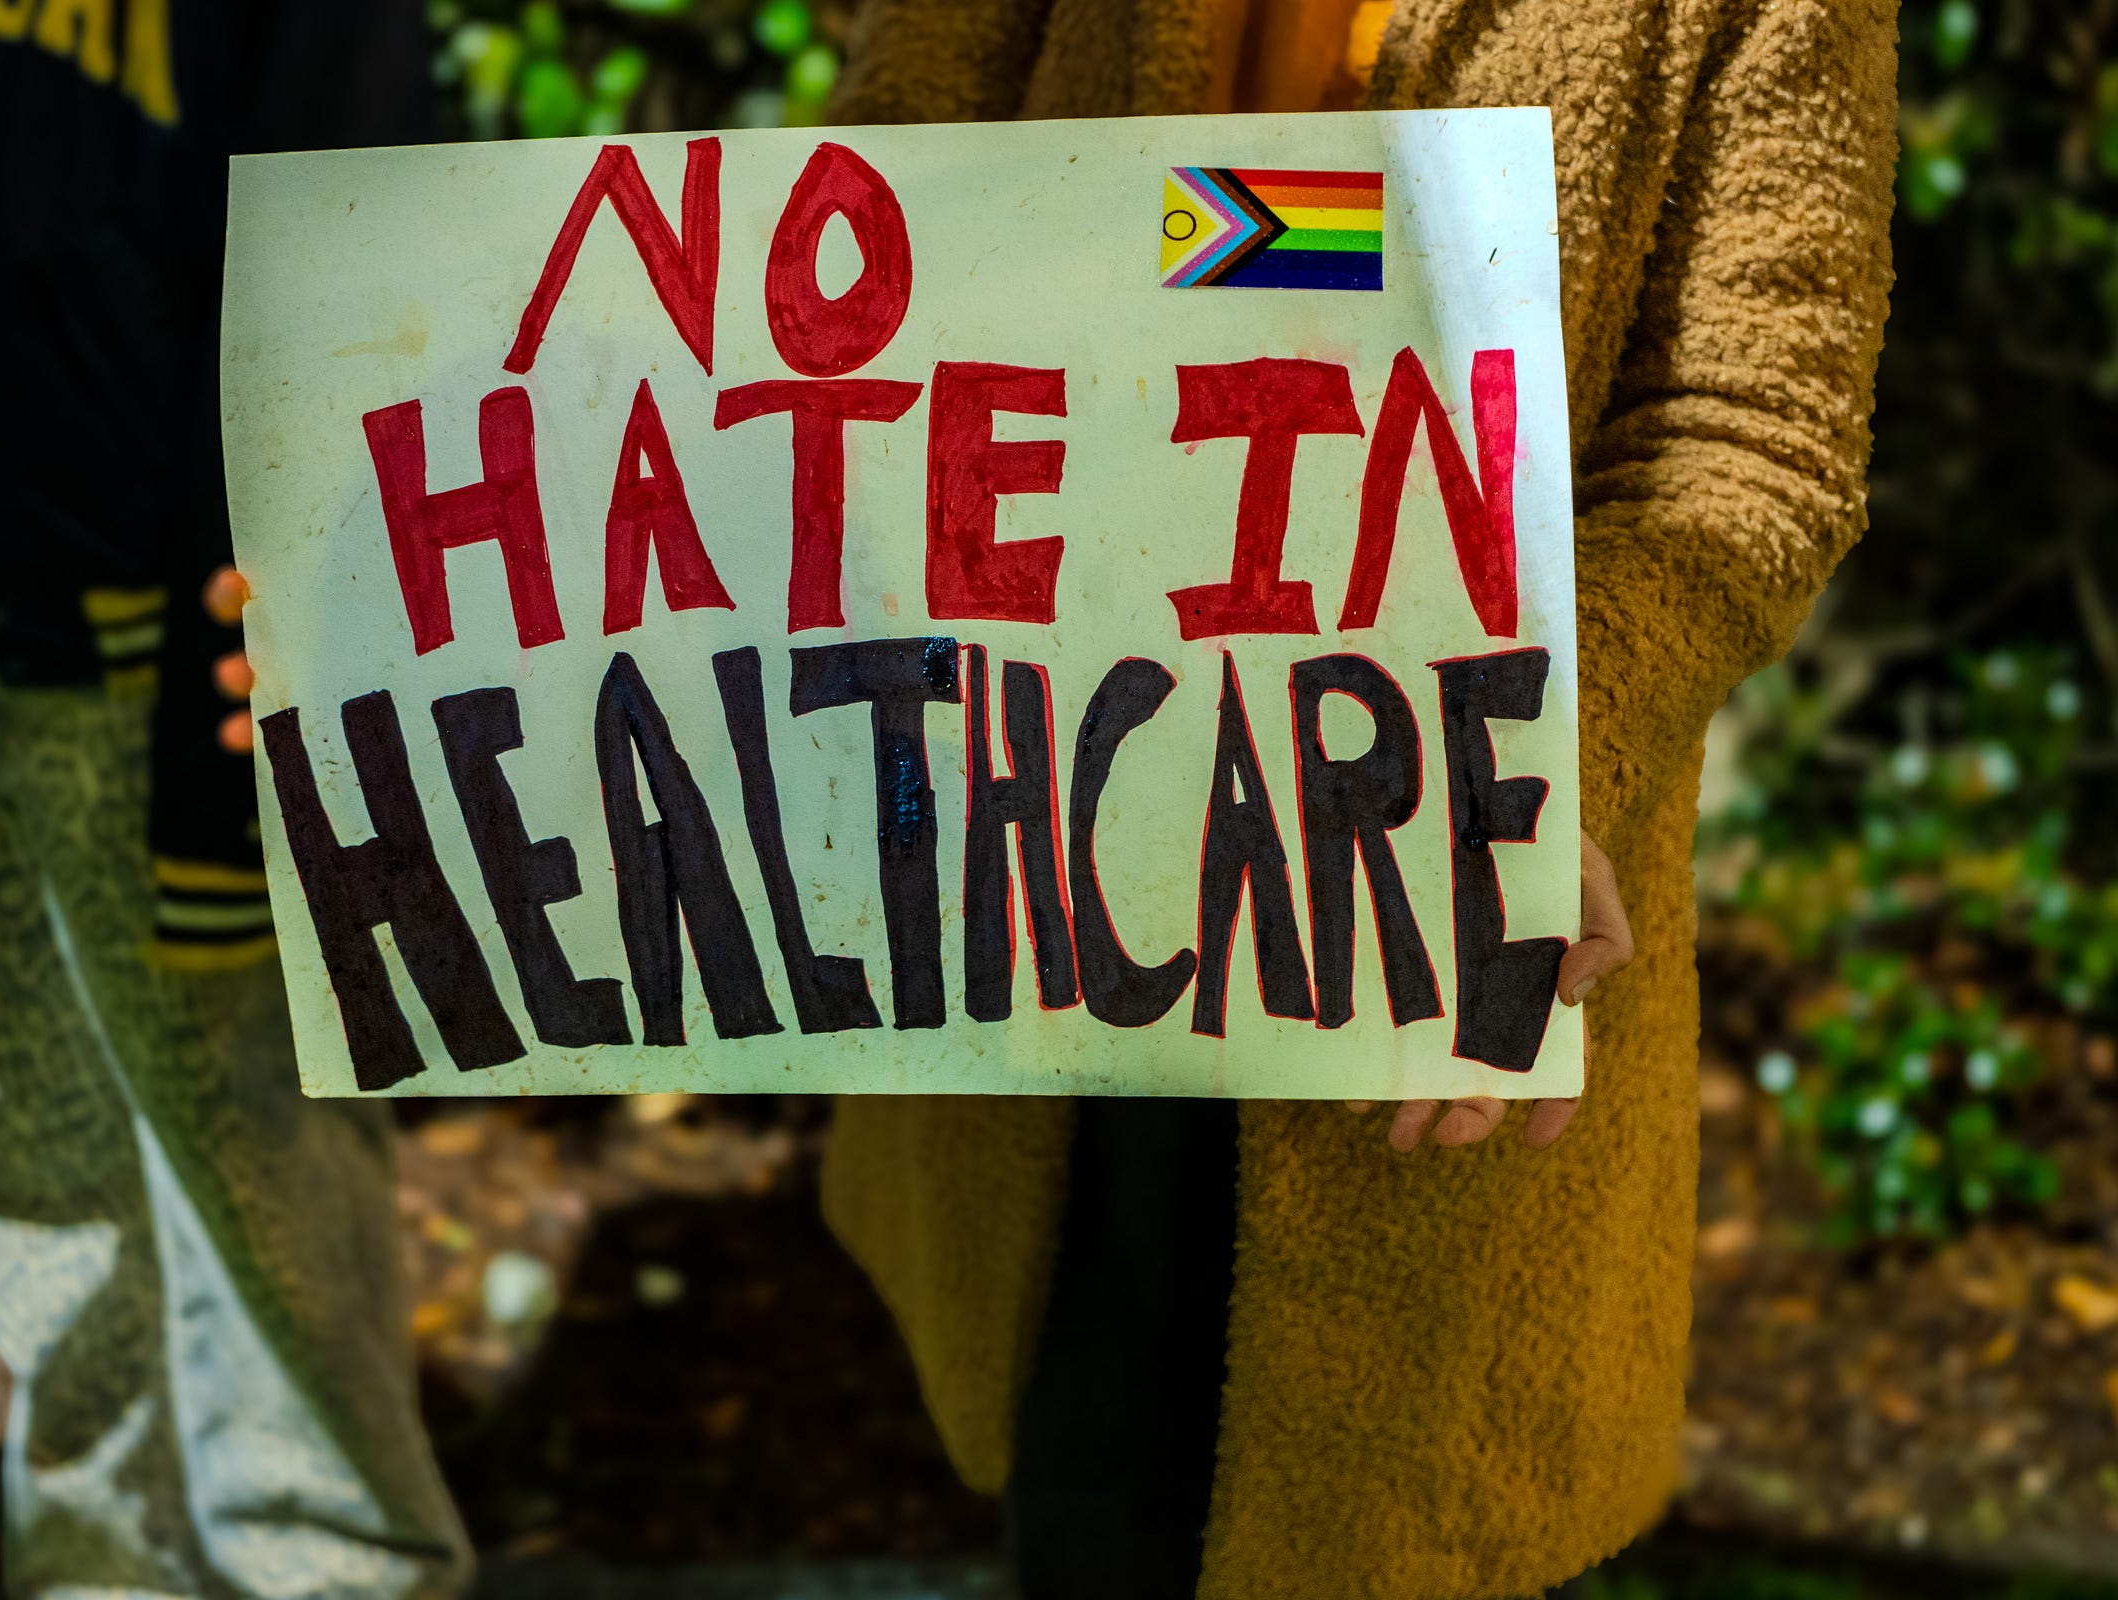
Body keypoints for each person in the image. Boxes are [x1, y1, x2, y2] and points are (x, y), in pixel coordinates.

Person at [811, 2, 1897, 1597]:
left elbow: (1750, 433)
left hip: (1435, 905)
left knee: (1395, 1524)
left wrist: (1519, 759)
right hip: (1056, 834)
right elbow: (877, 203)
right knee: (1093, 1471)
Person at [0, 0, 473, 1594]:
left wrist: (313, 566)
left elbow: (358, 188)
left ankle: (336, 1567)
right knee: (10, 1166)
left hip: (144, 634)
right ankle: (99, 1570)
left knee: (251, 1176)